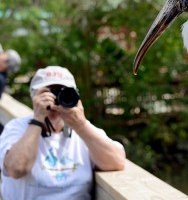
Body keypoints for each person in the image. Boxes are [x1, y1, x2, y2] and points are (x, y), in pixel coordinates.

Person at [0, 66, 125, 200]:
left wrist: (81, 125)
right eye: (48, 93)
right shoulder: (17, 128)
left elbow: (116, 162)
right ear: (33, 97)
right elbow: (16, 169)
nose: (55, 100)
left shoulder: (82, 130)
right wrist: (37, 120)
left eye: (62, 92)